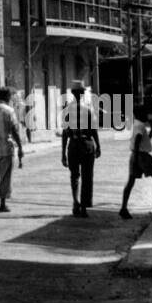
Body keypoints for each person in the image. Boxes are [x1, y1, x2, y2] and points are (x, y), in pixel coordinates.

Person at [120, 104, 152, 219]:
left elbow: (145, 140)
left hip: (135, 155)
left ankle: (123, 208)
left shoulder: (136, 124)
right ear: (140, 114)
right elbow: (138, 140)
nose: (146, 115)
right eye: (144, 113)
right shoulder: (140, 126)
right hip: (142, 156)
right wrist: (139, 159)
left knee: (131, 182)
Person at [61, 80, 100, 217]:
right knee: (87, 177)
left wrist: (63, 153)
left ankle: (75, 202)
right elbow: (94, 130)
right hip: (87, 145)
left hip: (73, 145)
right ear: (83, 93)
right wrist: (98, 146)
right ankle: (83, 206)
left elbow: (65, 134)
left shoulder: (67, 110)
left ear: (72, 93)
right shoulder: (88, 109)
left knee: (74, 176)